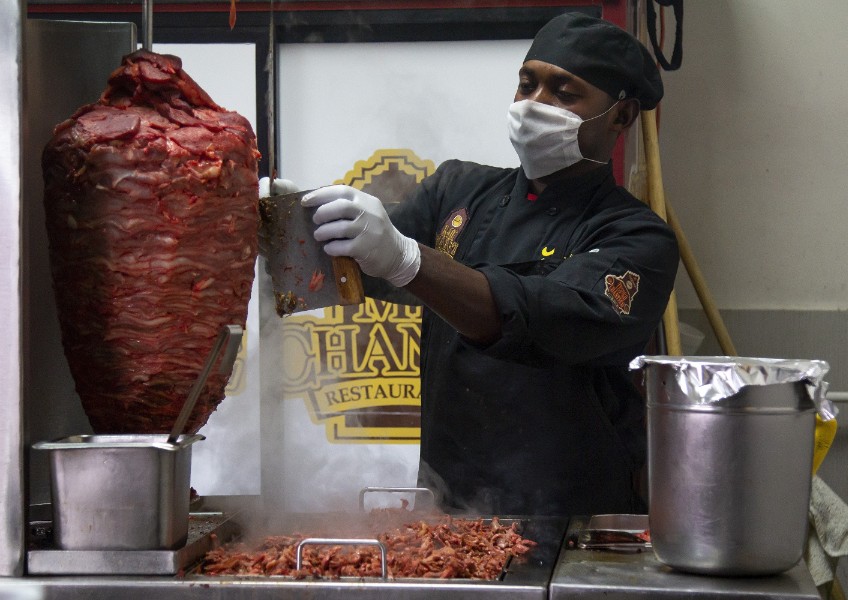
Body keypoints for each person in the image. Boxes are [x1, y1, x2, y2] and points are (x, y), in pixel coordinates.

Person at [264, 12, 679, 515]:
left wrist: (407, 260)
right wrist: (286, 227)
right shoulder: (459, 190)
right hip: (448, 507)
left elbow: (538, 316)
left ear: (622, 114)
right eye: (526, 85)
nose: (534, 105)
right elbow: (353, 264)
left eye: (564, 93)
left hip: (574, 517)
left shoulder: (637, 238)